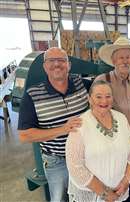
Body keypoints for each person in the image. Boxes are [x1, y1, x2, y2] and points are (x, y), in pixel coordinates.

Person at [18, 47, 89, 202]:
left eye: (62, 60)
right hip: (57, 161)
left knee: (86, 196)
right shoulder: (32, 95)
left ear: (69, 65)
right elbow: (24, 135)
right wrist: (63, 129)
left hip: (85, 156)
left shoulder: (80, 83)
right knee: (59, 199)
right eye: (51, 60)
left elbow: (106, 87)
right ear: (45, 66)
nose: (57, 64)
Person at [94, 36, 130, 202]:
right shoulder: (102, 81)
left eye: (128, 57)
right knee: (118, 184)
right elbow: (95, 112)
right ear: (113, 60)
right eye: (121, 57)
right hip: (113, 144)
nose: (125, 61)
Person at [65, 80, 130, 202]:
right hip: (92, 195)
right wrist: (105, 194)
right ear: (90, 99)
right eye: (98, 97)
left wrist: (127, 180)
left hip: (119, 192)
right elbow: (75, 168)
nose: (104, 101)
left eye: (108, 96)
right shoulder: (80, 125)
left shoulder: (121, 118)